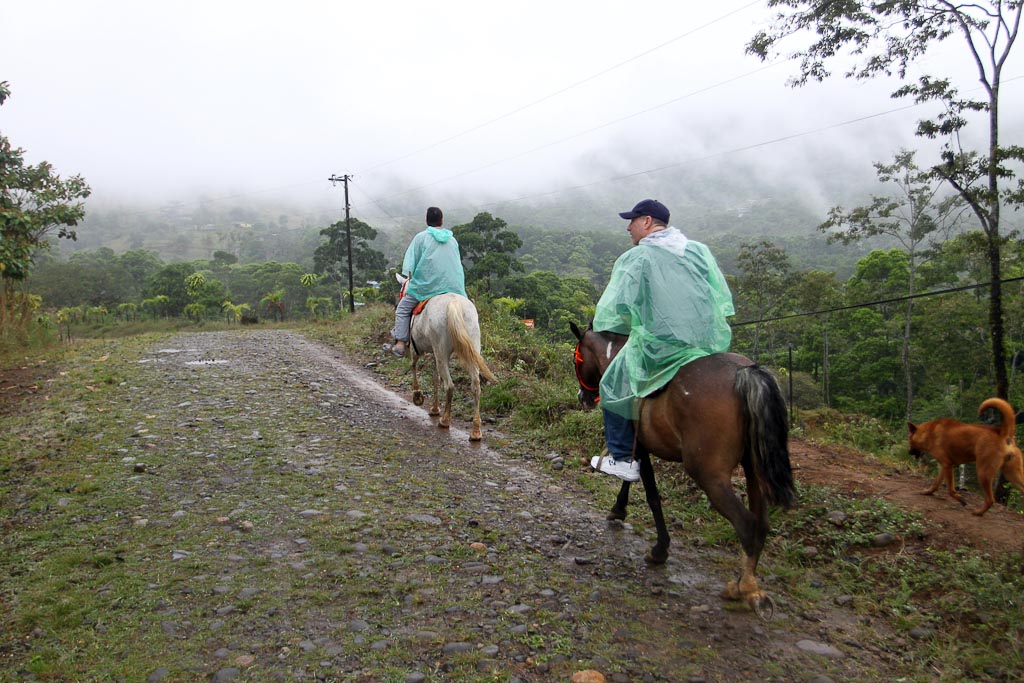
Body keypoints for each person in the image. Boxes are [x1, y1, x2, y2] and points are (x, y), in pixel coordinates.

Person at [590, 199, 735, 481]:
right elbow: (720, 298)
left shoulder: (637, 258)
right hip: (704, 344)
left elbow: (615, 310)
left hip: (660, 346)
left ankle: (622, 458)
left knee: (613, 383)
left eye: (632, 221)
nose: (628, 227)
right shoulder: (699, 251)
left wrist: (631, 325)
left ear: (647, 222)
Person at [390, 206, 467, 357]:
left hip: (427, 287)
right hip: (454, 286)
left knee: (402, 309)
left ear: (426, 220)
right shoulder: (452, 240)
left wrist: (412, 277)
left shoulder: (421, 238)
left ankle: (400, 343)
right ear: (442, 220)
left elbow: (411, 265)